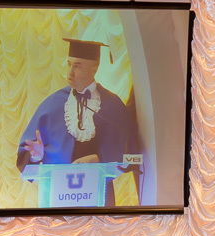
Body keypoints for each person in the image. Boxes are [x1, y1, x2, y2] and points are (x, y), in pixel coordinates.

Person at [17, 38, 138, 205]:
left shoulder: (112, 105)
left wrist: (100, 158)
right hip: (59, 198)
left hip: (99, 199)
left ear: (94, 69)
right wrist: (36, 156)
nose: (70, 73)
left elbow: (133, 154)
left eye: (78, 66)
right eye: (69, 64)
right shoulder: (51, 105)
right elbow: (25, 156)